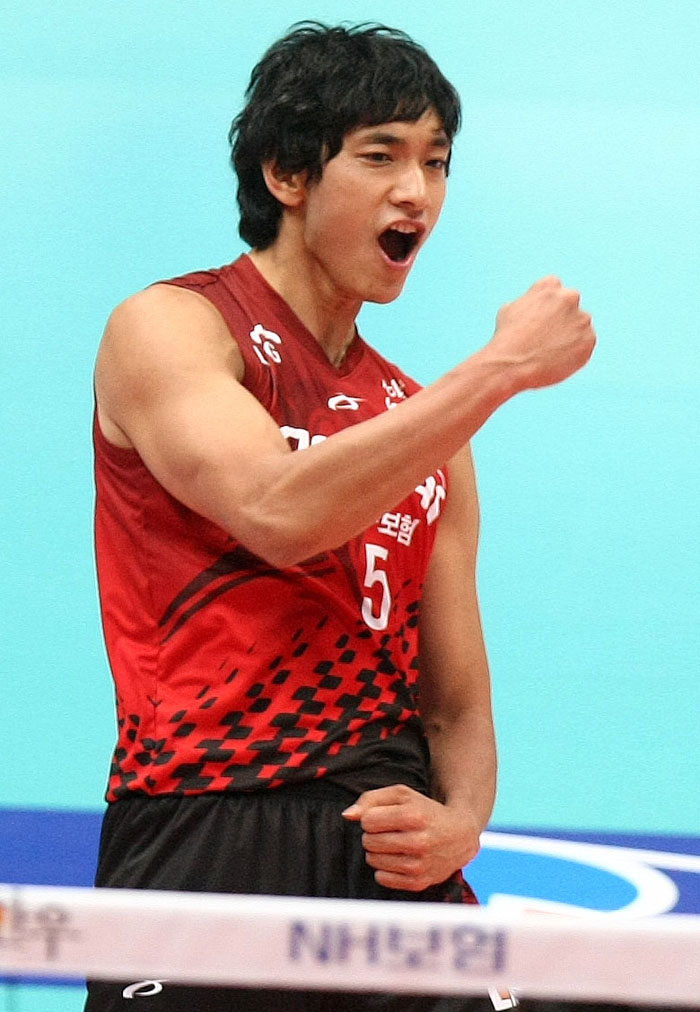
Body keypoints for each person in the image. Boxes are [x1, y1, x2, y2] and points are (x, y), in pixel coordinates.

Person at [86, 21, 595, 1012]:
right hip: (208, 831)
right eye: (381, 156)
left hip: (389, 850)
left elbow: (454, 699)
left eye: (435, 163)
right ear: (287, 172)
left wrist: (462, 822)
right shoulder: (174, 328)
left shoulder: (425, 421)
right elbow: (276, 511)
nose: (417, 193)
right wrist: (498, 370)